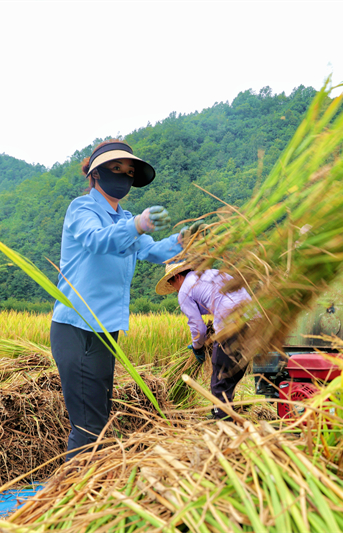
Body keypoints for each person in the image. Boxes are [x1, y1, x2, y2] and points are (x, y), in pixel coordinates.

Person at [51, 139, 195, 461]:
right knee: (88, 427)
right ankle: (73, 496)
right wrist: (137, 225)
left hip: (106, 330)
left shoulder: (124, 219)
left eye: (129, 172)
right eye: (116, 169)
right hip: (77, 328)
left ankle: (93, 492)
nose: (124, 176)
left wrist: (182, 240)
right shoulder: (82, 210)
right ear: (97, 174)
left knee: (99, 420)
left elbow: (152, 251)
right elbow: (97, 241)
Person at [155, 262, 251, 419]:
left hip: (231, 323)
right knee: (233, 372)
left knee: (220, 375)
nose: (174, 289)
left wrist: (197, 347)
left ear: (177, 277)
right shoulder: (212, 274)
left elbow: (198, 328)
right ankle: (226, 412)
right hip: (253, 320)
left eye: (172, 283)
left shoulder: (185, 290)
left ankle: (221, 420)